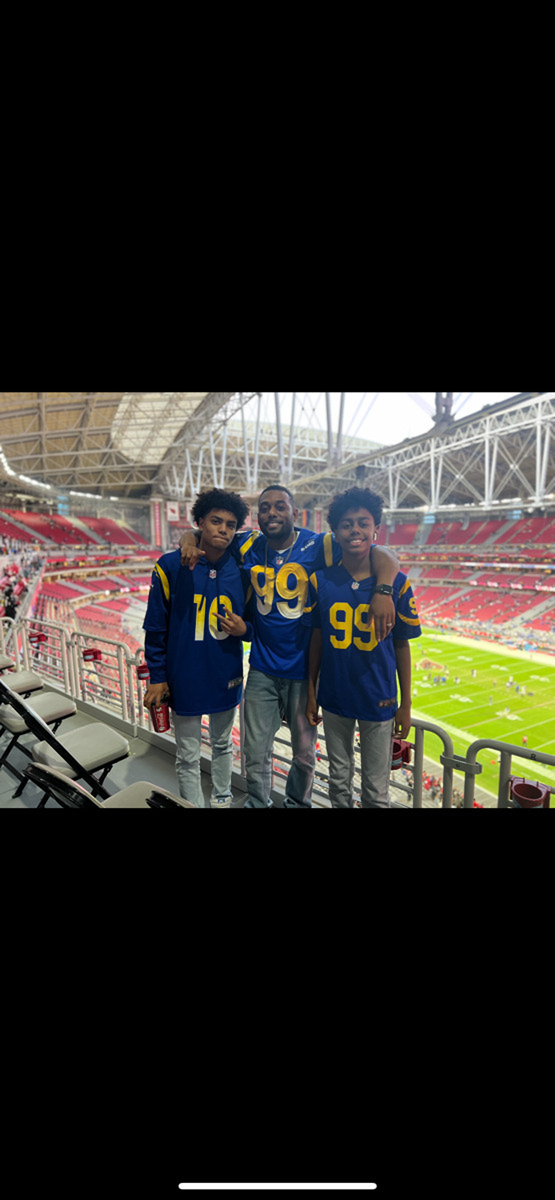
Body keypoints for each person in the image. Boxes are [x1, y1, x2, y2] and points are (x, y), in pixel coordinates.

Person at [181, 484, 400, 808]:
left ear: (295, 513)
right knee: (254, 752)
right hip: (262, 668)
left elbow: (382, 552)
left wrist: (383, 590)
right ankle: (258, 804)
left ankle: (297, 804)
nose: (272, 512)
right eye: (265, 507)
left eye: (280, 506)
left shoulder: (319, 544)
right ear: (257, 517)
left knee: (304, 755)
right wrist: (188, 540)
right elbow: (201, 533)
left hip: (303, 672)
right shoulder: (248, 544)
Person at [305, 487, 422, 809]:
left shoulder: (397, 583)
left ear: (375, 529)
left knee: (376, 788)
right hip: (334, 695)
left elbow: (402, 645)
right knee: (338, 780)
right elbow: (316, 640)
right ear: (335, 532)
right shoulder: (319, 581)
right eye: (346, 524)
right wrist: (312, 691)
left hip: (379, 696)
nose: (355, 530)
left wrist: (406, 703)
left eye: (362, 523)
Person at [143, 489, 253, 808]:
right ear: (200, 522)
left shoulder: (243, 572)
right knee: (188, 755)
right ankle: (191, 805)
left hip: (226, 673)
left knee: (223, 745)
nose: (223, 529)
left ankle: (222, 800)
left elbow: (252, 625)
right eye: (216, 521)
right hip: (184, 676)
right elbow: (156, 627)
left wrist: (245, 630)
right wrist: (157, 677)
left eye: (231, 525)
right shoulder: (169, 566)